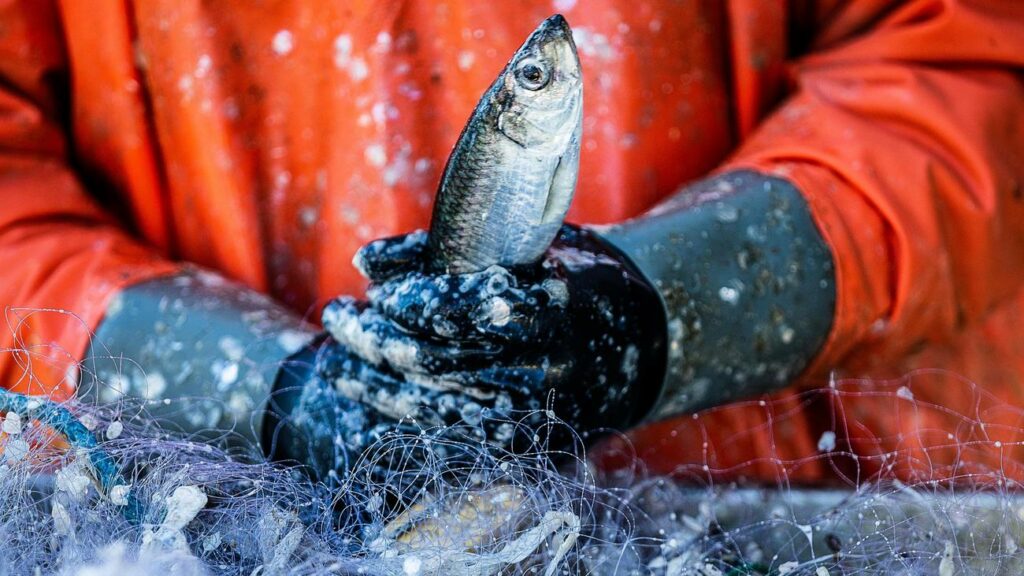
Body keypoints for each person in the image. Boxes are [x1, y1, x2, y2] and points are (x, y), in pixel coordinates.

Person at [2, 1, 1023, 486]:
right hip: (218, 522)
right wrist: (267, 392)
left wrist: (659, 308)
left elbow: (961, 73)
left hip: (797, 511)